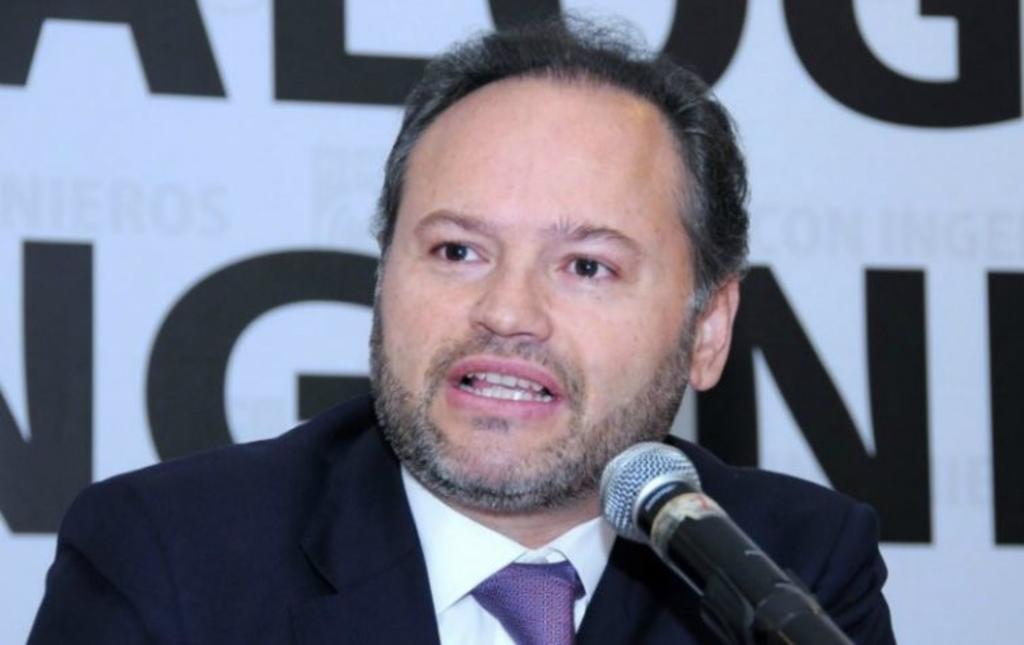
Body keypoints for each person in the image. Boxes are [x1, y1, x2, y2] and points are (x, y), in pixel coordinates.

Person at [29, 18, 895, 645]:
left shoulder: (790, 571)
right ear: (383, 277)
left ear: (707, 328)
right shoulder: (169, 558)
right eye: (457, 250)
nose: (507, 312)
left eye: (586, 265)